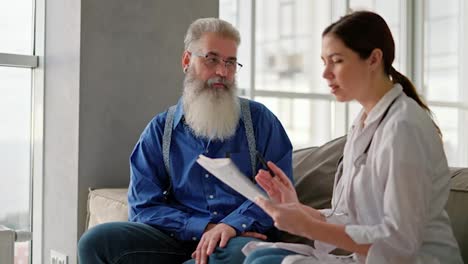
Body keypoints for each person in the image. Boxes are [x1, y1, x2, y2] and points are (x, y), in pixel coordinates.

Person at [242, 11, 463, 264]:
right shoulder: (363, 123)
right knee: (262, 254)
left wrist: (307, 226)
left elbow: (399, 243)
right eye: (324, 61)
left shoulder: (404, 127)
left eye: (336, 61)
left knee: (263, 262)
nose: (325, 73)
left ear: (373, 59)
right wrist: (297, 210)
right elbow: (352, 218)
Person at [78, 18, 293, 264]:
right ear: (187, 61)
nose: (222, 72)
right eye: (211, 59)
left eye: (230, 62)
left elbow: (280, 194)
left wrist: (230, 226)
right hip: (176, 238)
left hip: (236, 239)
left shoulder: (260, 122)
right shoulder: (160, 130)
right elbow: (143, 206)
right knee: (96, 241)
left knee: (241, 253)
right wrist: (204, 227)